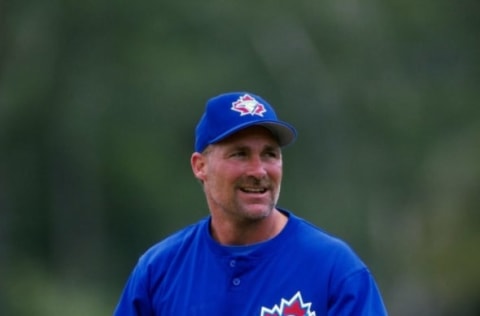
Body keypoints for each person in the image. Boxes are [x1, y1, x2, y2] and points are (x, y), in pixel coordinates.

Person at [114, 92, 388, 315]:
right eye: (240, 154)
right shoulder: (159, 270)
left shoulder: (335, 270)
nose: (259, 171)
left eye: (270, 154)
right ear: (200, 166)